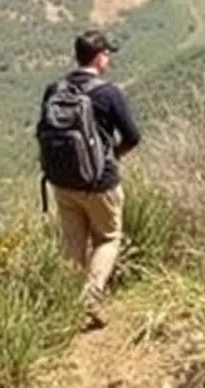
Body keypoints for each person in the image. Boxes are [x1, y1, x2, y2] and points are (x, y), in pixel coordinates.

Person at [38, 30, 141, 330]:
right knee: (108, 239)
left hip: (61, 183)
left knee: (72, 243)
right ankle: (90, 300)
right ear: (99, 57)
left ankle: (65, 306)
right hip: (99, 182)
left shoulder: (54, 89)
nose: (108, 58)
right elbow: (133, 136)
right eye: (107, 53)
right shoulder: (109, 93)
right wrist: (114, 156)